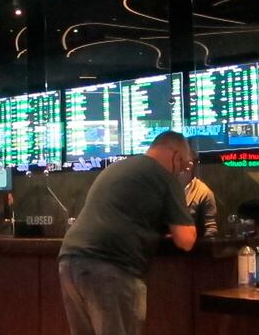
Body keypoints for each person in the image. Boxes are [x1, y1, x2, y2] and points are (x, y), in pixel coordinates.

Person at [58, 131, 197, 335]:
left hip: (69, 261)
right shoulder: (163, 175)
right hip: (111, 266)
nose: (180, 172)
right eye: (183, 165)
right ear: (176, 156)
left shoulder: (119, 167)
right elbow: (186, 240)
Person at [179, 153, 218, 238]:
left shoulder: (203, 193)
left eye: (177, 160)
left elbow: (211, 230)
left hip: (194, 248)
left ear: (189, 165)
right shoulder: (167, 187)